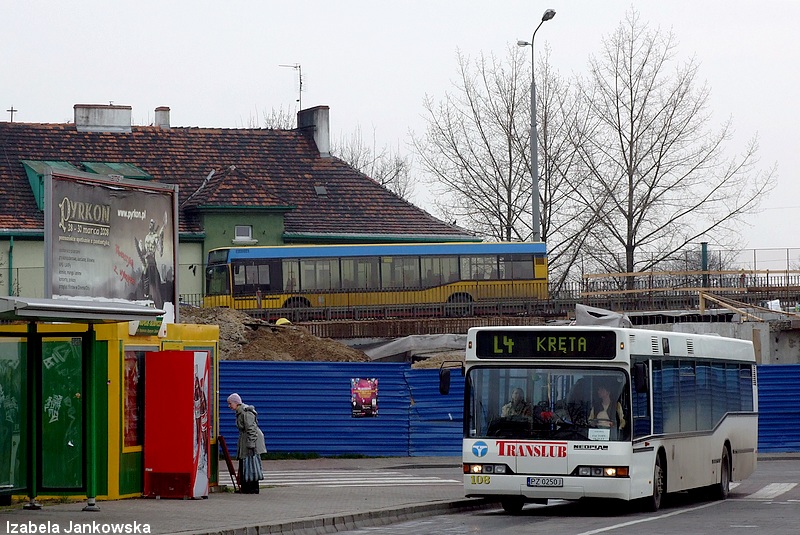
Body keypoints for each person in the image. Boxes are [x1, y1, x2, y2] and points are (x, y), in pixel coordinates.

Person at [227, 392, 267, 494]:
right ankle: (247, 487)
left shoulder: (245, 412)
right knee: (245, 462)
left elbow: (251, 429)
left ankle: (251, 488)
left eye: (230, 403)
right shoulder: (241, 412)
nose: (229, 406)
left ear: (236, 403)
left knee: (250, 463)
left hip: (250, 440)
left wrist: (251, 443)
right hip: (245, 439)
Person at [135, 213, 167, 308]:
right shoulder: (147, 237)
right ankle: (145, 298)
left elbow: (159, 250)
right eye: (150, 224)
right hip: (146, 263)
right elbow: (144, 250)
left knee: (155, 284)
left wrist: (161, 235)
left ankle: (157, 303)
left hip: (152, 263)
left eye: (152, 224)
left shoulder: (155, 237)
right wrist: (141, 248)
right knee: (144, 279)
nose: (150, 226)